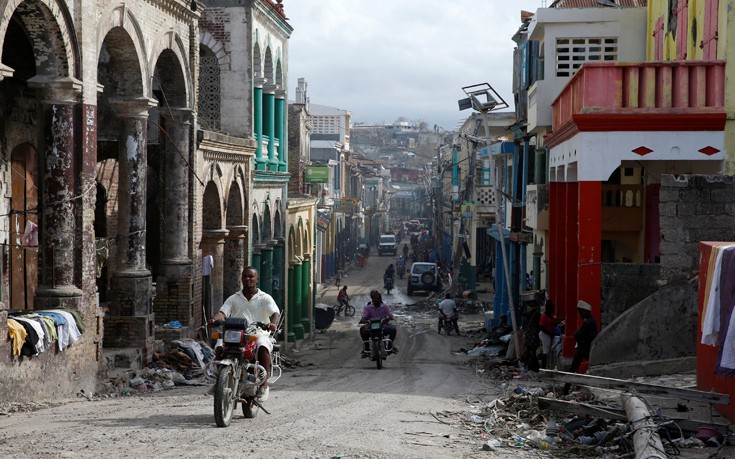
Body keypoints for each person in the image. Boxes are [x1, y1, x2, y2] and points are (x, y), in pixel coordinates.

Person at [210, 266, 280, 402]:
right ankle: (219, 381)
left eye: (251, 276)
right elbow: (223, 312)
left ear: (257, 279)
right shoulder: (234, 298)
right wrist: (215, 319)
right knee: (219, 344)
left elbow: (275, 313)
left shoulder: (265, 298)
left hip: (258, 333)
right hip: (236, 333)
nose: (247, 279)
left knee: (262, 345)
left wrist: (273, 324)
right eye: (245, 277)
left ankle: (264, 384)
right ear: (241, 279)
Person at [562, 300, 598, 395]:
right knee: (573, 368)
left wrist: (577, 333)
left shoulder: (587, 323)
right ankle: (566, 389)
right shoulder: (591, 321)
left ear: (585, 311)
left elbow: (578, 335)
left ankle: (565, 390)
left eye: (580, 311)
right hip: (586, 348)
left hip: (584, 349)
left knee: (573, 368)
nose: (579, 314)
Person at [359, 290, 398, 357]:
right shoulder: (368, 307)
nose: (376, 300)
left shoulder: (385, 306)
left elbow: (390, 315)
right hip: (371, 326)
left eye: (378, 298)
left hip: (383, 326)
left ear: (380, 299)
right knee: (362, 330)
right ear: (372, 299)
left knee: (393, 329)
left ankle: (390, 346)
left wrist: (390, 318)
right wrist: (363, 320)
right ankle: (367, 348)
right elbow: (364, 316)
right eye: (375, 298)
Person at [538, 300, 559, 369]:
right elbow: (541, 327)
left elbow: (552, 323)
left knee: (547, 351)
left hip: (549, 334)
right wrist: (549, 333)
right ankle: (543, 367)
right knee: (546, 351)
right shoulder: (544, 316)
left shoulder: (549, 315)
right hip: (545, 335)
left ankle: (545, 366)